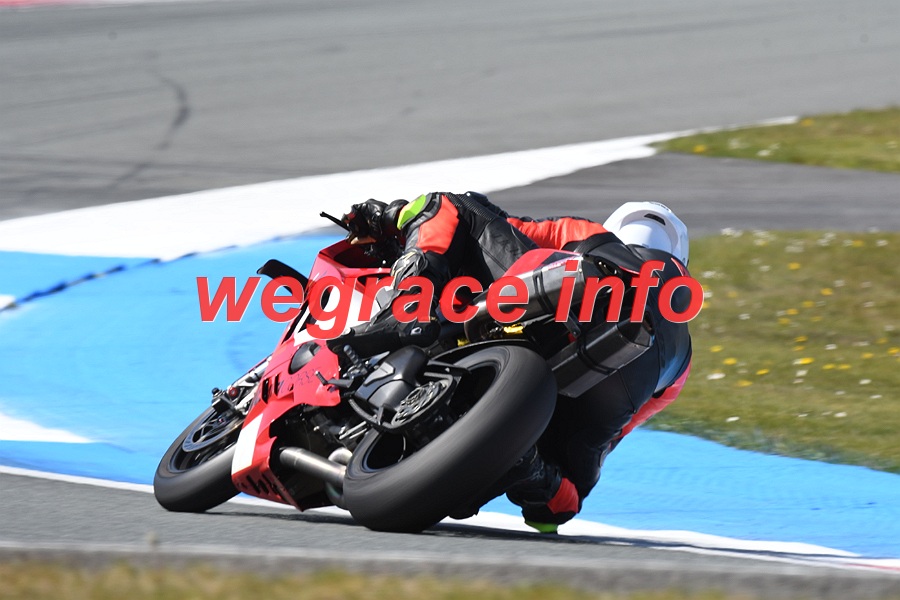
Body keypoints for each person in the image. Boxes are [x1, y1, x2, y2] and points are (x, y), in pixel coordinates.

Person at [330, 192, 693, 533]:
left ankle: (408, 304)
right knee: (556, 509)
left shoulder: (591, 234)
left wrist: (390, 216)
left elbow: (503, 223)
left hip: (571, 293)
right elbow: (617, 432)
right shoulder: (683, 358)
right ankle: (534, 473)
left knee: (448, 205)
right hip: (625, 381)